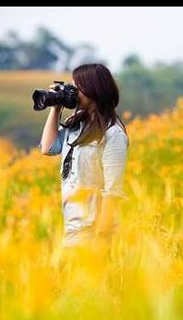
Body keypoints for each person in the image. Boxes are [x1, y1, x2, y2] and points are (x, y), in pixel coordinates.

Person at [39, 64, 129, 252]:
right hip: (72, 227)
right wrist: (55, 107)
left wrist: (101, 238)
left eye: (77, 87)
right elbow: (47, 148)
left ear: (94, 90)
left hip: (93, 231)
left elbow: (113, 191)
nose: (73, 92)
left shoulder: (113, 134)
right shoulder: (75, 126)